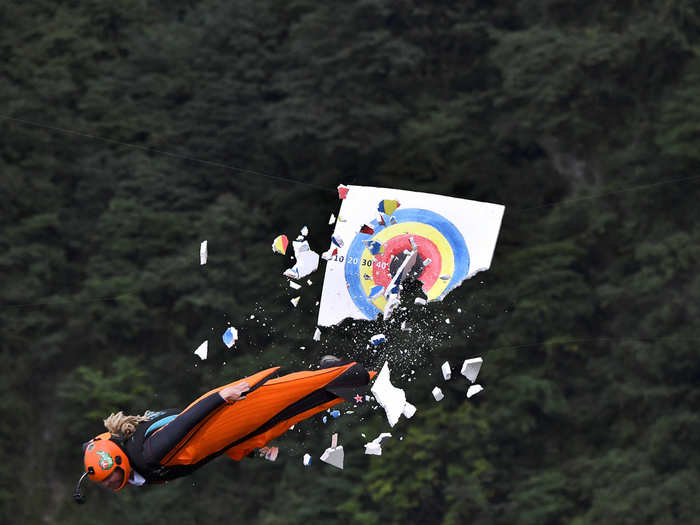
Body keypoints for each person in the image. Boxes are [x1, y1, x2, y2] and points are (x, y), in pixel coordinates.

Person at [75, 356, 374, 502]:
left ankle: (362, 372)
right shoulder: (138, 463)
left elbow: (184, 424)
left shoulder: (149, 454)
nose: (110, 484)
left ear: (117, 461)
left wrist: (220, 397)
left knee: (287, 398)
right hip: (225, 438)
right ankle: (347, 376)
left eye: (109, 477)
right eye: (105, 483)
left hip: (226, 419)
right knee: (288, 411)